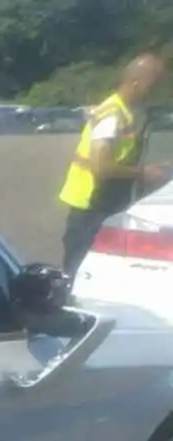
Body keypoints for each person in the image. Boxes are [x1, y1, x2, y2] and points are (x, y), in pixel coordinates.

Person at [60, 54, 170, 276]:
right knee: (80, 273)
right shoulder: (112, 115)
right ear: (136, 82)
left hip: (101, 204)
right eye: (154, 83)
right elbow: (103, 168)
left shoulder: (126, 113)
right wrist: (143, 173)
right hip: (92, 204)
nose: (157, 90)